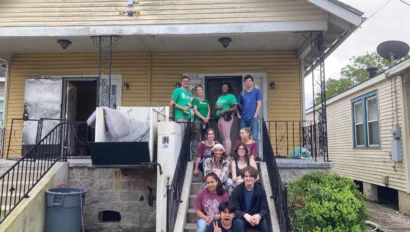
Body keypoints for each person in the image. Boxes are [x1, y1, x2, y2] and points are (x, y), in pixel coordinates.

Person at [232, 166, 269, 232]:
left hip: (256, 218)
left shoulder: (260, 190)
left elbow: (265, 208)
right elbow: (234, 209)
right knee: (238, 222)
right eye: (246, 176)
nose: (248, 178)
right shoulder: (237, 190)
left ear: (254, 178)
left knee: (264, 223)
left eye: (251, 176)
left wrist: (259, 216)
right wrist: (245, 215)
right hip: (242, 218)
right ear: (243, 177)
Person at [237, 75, 262, 154]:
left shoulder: (256, 91)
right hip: (243, 118)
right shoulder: (242, 93)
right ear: (244, 83)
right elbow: (237, 104)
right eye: (246, 81)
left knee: (254, 136)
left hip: (253, 118)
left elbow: (259, 103)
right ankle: (244, 153)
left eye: (249, 81)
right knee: (243, 136)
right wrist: (238, 114)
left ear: (252, 82)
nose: (248, 82)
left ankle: (255, 154)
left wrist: (255, 114)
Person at [215, 82, 237, 156]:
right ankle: (224, 153)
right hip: (219, 118)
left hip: (226, 117)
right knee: (223, 137)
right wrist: (219, 108)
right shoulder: (220, 97)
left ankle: (227, 155)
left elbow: (234, 108)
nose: (224, 88)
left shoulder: (231, 96)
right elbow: (215, 107)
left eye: (226, 87)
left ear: (228, 88)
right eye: (223, 86)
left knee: (226, 137)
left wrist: (225, 111)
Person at [192, 85, 210, 157]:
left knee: (205, 138)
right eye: (198, 90)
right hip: (197, 121)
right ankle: (195, 155)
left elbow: (209, 109)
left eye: (201, 90)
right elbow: (195, 111)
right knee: (196, 138)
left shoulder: (206, 100)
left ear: (203, 91)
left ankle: (204, 153)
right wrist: (203, 118)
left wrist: (207, 118)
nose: (200, 91)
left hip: (205, 121)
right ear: (196, 92)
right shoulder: (195, 100)